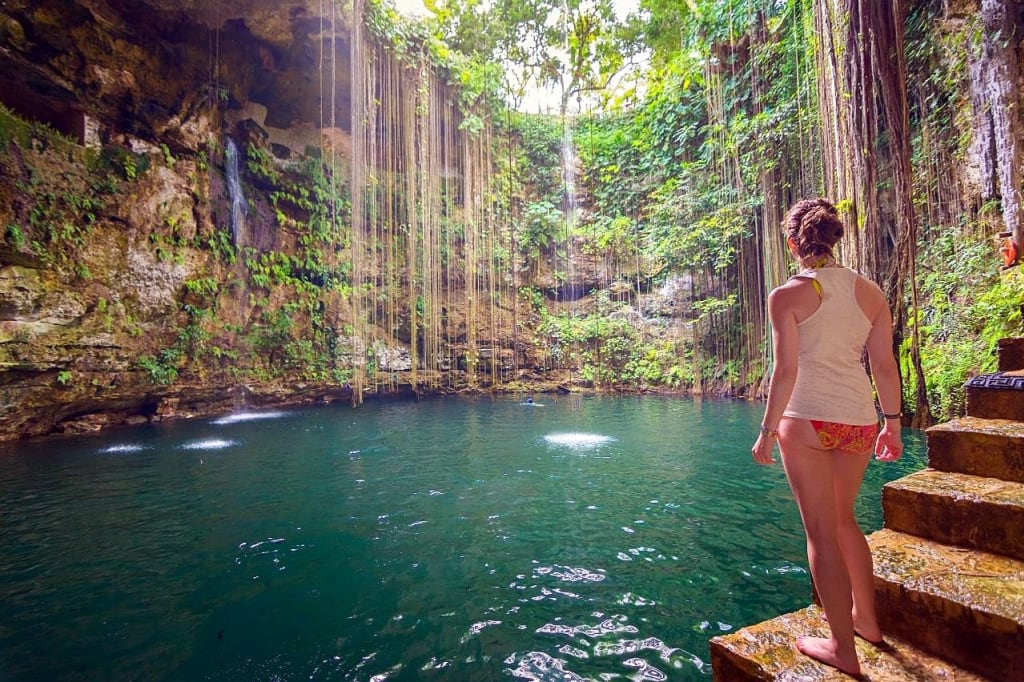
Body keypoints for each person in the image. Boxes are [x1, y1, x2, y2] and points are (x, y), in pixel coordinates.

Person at [751, 198, 904, 677]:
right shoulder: (870, 293)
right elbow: (883, 365)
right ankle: (868, 623)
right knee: (845, 521)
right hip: (858, 420)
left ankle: (843, 647)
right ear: (835, 238)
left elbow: (786, 369)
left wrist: (767, 430)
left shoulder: (787, 295)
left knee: (820, 532)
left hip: (807, 421)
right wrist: (892, 423)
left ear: (793, 243)